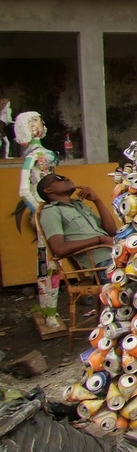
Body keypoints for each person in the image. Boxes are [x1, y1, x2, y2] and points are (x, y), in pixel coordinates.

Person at [14, 111, 60, 325]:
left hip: (55, 207)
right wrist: (39, 209)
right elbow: (24, 189)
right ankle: (49, 312)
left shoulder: (37, 153)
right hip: (46, 210)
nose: (40, 124)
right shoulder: (32, 156)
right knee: (47, 261)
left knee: (52, 260)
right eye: (36, 121)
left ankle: (50, 310)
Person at [36, 172, 116, 276]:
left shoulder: (79, 205)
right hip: (104, 264)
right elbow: (59, 249)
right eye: (60, 178)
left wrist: (97, 200)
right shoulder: (51, 211)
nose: (67, 178)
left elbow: (111, 230)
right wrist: (99, 239)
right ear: (48, 190)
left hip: (117, 253)